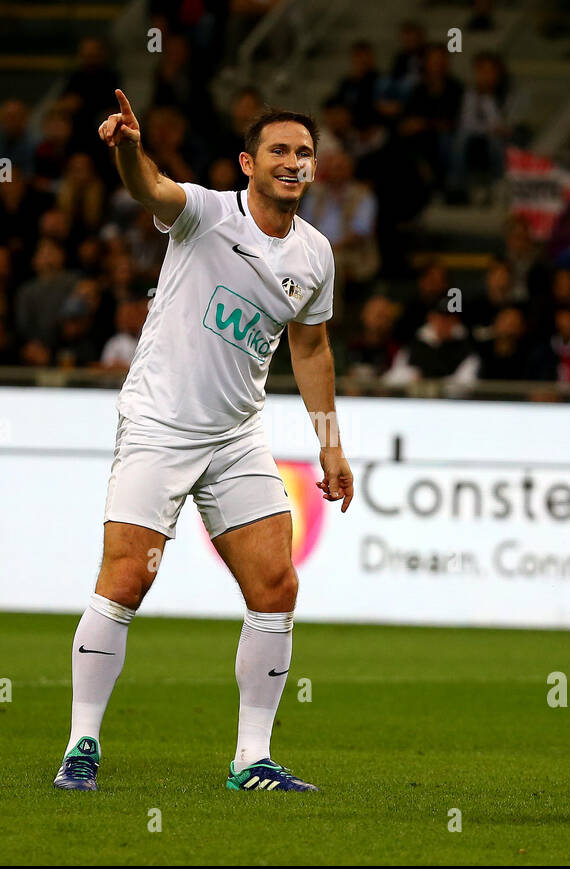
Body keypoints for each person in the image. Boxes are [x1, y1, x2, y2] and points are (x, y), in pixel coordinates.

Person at [52, 90, 351, 795]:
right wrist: (128, 145)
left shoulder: (315, 255)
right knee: (127, 577)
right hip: (159, 423)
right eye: (278, 150)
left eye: (303, 152)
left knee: (276, 585)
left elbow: (310, 350)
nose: (292, 161)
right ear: (249, 163)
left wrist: (331, 444)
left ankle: (253, 760)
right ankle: (81, 745)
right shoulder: (206, 213)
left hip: (236, 435)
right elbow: (148, 187)